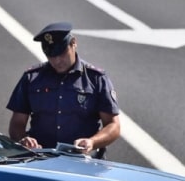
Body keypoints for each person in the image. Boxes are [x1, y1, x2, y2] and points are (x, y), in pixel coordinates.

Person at [7, 22, 121, 157]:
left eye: (61, 54)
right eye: (51, 56)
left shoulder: (96, 79)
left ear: (73, 43)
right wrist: (23, 140)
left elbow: (113, 125)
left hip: (84, 160)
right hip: (41, 159)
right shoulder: (31, 78)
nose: (57, 61)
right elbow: (17, 123)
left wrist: (92, 142)